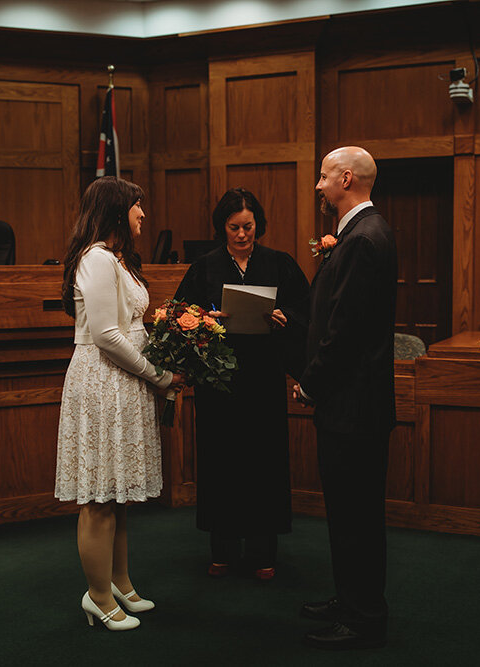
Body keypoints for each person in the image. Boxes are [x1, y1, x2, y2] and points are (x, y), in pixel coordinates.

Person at [55, 176, 185, 631]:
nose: (143, 215)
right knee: (99, 499)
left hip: (123, 383)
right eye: (136, 206)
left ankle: (121, 583)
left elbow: (132, 328)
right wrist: (160, 375)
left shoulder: (118, 260)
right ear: (115, 210)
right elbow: (107, 336)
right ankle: (97, 596)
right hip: (101, 381)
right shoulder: (94, 258)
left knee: (119, 495)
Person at [174, 187, 309, 580]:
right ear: (223, 227)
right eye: (234, 227)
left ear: (258, 226)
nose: (242, 235)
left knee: (263, 462)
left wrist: (285, 317)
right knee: (222, 462)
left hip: (264, 378)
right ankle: (223, 550)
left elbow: (306, 309)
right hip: (220, 384)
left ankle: (263, 552)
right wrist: (207, 319)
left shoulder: (279, 263)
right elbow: (183, 314)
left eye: (248, 227)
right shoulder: (205, 267)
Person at [293, 147, 397, 650]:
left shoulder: (362, 239)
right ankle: (349, 596)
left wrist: (311, 381)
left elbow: (345, 331)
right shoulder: (361, 233)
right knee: (348, 511)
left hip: (353, 405)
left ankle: (362, 617)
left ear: (346, 179)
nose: (318, 185)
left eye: (323, 176)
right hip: (353, 404)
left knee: (356, 514)